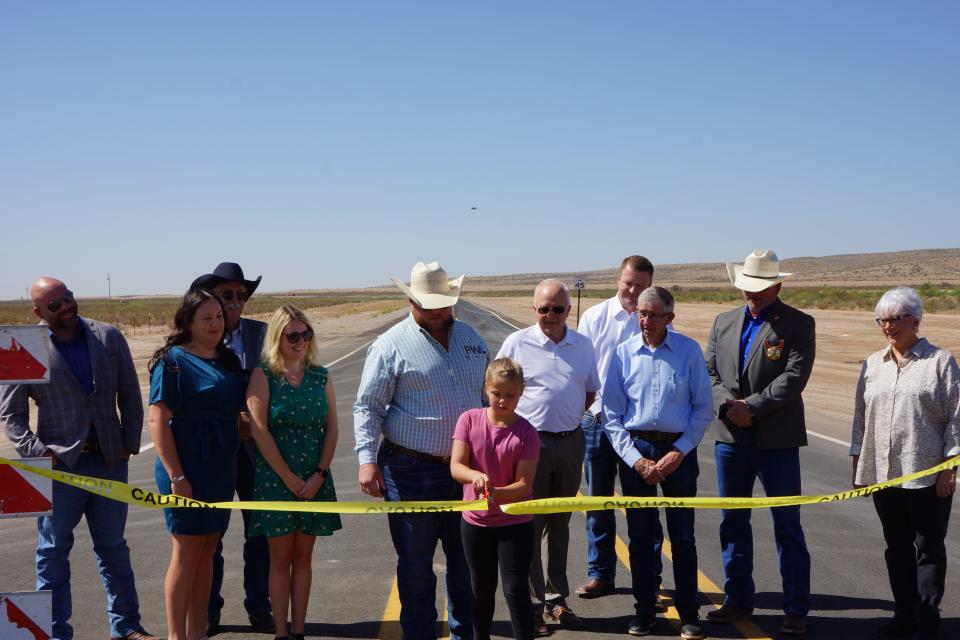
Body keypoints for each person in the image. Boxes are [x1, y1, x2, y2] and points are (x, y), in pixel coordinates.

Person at [0, 277, 157, 640]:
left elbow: (130, 393)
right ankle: (55, 633)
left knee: (114, 549)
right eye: (55, 305)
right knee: (53, 553)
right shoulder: (25, 345)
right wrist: (36, 453)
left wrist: (128, 441)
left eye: (68, 298)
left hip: (108, 462)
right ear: (39, 312)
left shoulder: (108, 336)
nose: (67, 307)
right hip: (58, 471)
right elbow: (11, 415)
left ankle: (127, 627)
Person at [354, 261, 489, 640]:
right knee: (416, 565)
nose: (437, 311)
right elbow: (367, 406)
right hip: (411, 470)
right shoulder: (389, 345)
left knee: (466, 562)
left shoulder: (471, 338)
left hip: (466, 470)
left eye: (443, 303)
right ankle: (419, 634)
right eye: (428, 304)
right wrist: (367, 460)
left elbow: (484, 397)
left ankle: (467, 634)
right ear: (411, 300)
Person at [704, 249, 815, 636]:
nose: (752, 294)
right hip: (730, 440)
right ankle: (737, 599)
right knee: (733, 522)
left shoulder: (799, 324)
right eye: (747, 287)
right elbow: (710, 371)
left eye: (760, 289)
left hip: (777, 441)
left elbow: (794, 376)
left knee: (787, 524)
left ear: (778, 286)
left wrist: (750, 407)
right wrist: (727, 407)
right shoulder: (723, 321)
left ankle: (796, 607)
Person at [603, 287, 713, 639]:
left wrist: (679, 451)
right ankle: (645, 609)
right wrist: (636, 461)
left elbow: (703, 408)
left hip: (678, 454)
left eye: (653, 315)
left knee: (682, 536)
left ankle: (690, 613)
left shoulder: (689, 352)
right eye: (642, 314)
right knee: (640, 536)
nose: (646, 321)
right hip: (637, 453)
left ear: (670, 318)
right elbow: (611, 414)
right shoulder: (622, 354)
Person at [850, 287, 959, 640]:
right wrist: (858, 466)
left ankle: (928, 619)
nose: (888, 326)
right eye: (882, 320)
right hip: (883, 474)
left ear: (915, 319)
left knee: (928, 548)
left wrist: (949, 467)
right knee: (896, 547)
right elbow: (861, 418)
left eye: (895, 319)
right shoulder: (872, 364)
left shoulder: (940, 362)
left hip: (926, 474)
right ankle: (904, 614)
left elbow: (956, 419)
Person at [497, 279, 600, 636]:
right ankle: (534, 606)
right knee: (529, 525)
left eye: (557, 309)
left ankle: (558, 600)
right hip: (529, 445)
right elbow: (498, 391)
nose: (550, 316)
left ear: (569, 310)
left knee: (559, 525)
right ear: (534, 310)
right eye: (544, 309)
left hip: (571, 442)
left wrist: (565, 419)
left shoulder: (583, 346)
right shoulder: (517, 343)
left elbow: (589, 393)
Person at [148, 289, 247, 640]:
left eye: (219, 317)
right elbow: (158, 421)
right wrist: (176, 475)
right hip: (185, 467)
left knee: (208, 547)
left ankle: (197, 633)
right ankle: (177, 635)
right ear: (188, 322)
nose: (215, 324)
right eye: (206, 318)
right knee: (186, 549)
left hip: (221, 467)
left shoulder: (228, 360)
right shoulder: (173, 361)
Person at [576, 255, 667, 606]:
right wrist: (592, 411)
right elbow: (583, 369)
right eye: (628, 283)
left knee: (642, 507)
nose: (633, 291)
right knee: (599, 501)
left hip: (639, 429)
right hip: (598, 422)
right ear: (618, 279)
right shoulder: (595, 317)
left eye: (641, 286)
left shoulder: (656, 321)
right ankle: (601, 573)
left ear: (650, 286)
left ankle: (651, 579)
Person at [189, 261, 274, 635]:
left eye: (242, 294)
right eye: (228, 295)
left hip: (258, 449)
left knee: (260, 534)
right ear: (213, 298)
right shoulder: (196, 338)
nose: (236, 301)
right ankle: (209, 610)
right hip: (214, 451)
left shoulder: (264, 334)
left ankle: (259, 607)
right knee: (212, 535)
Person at [247, 306, 342, 640]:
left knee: (304, 559)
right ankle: (281, 632)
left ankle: (299, 630)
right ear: (278, 337)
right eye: (293, 336)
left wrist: (319, 473)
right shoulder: (263, 375)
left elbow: (332, 429)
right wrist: (288, 477)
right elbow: (259, 431)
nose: (300, 341)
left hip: (314, 479)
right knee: (280, 559)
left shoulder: (321, 375)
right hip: (277, 479)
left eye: (306, 334)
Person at [451, 357, 540, 640]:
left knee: (515, 589)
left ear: (521, 392)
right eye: (496, 394)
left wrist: (496, 494)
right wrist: (474, 476)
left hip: (515, 522)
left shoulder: (527, 432)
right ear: (486, 388)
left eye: (510, 395)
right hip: (476, 522)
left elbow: (524, 485)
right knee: (480, 589)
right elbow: (456, 466)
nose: (502, 401)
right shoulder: (468, 419)